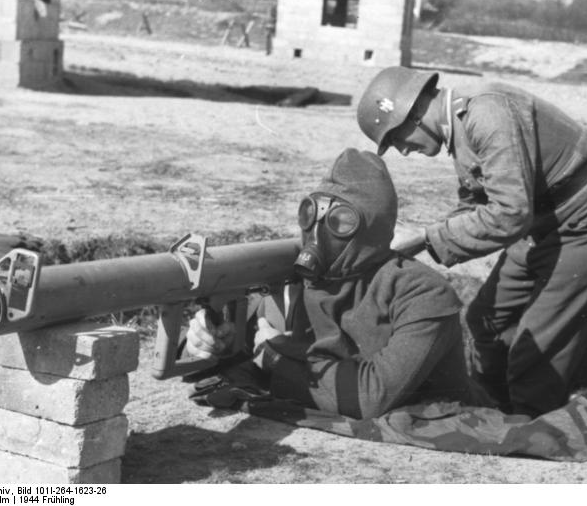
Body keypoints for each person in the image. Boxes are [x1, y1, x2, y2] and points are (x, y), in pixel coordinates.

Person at [356, 67, 587, 417]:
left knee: (535, 352)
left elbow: (509, 215)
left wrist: (425, 238)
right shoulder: (461, 128)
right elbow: (476, 205)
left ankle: (533, 437)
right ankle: (493, 412)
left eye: (398, 139)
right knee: (485, 322)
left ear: (415, 114)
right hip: (543, 223)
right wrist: (419, 239)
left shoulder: (486, 114)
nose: (403, 151)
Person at [185, 148, 492, 419]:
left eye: (341, 221)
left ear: (371, 228)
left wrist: (276, 362)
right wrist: (206, 343)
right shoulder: (293, 278)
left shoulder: (422, 292)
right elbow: (233, 346)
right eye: (312, 213)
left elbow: (372, 397)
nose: (318, 234)